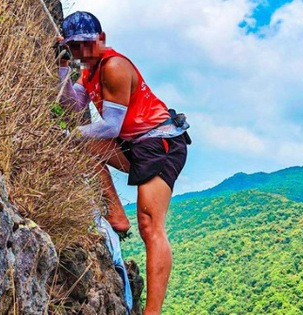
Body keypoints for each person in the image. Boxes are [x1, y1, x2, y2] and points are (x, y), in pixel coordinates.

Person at [56, 11, 190, 315]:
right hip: (134, 144)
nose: (82, 51)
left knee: (150, 225)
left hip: (160, 142)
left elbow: (111, 127)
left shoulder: (114, 66)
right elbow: (71, 104)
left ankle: (152, 313)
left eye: (86, 44)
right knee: (83, 147)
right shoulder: (88, 72)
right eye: (74, 46)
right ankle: (116, 214)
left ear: (101, 39)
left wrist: (67, 134)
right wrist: (64, 65)